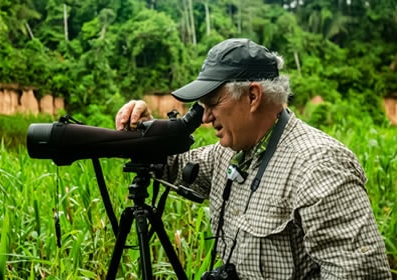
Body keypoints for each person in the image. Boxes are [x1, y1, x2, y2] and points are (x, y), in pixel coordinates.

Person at [115, 38, 391, 279]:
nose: (207, 118)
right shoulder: (230, 153)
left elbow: (356, 272)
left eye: (212, 104)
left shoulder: (318, 166)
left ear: (253, 95)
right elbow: (176, 166)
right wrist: (147, 134)